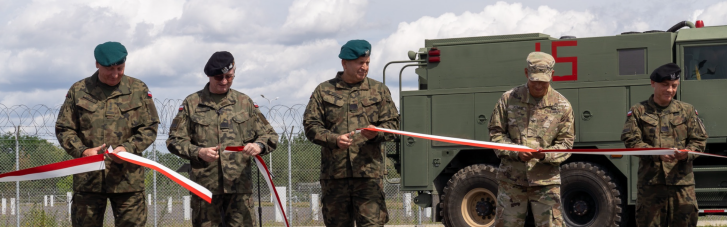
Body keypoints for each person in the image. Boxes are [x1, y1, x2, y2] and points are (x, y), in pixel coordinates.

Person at [166, 51, 278, 227]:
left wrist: (258, 145)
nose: (225, 81)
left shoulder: (244, 102)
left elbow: (270, 135)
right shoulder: (192, 103)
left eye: (229, 76)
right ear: (210, 76)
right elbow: (173, 140)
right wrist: (198, 152)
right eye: (219, 77)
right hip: (205, 189)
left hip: (239, 189)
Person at [55, 41, 160, 227]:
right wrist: (82, 152)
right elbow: (64, 128)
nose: (115, 74)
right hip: (88, 181)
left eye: (120, 68)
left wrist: (127, 149)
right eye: (109, 69)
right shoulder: (79, 91)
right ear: (97, 64)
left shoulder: (138, 89)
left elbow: (149, 127)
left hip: (128, 181)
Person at [303, 40, 399, 227]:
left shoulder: (379, 91)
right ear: (344, 63)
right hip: (335, 177)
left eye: (367, 63)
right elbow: (310, 125)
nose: (364, 67)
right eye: (360, 63)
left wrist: (377, 133)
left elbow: (393, 124)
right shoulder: (324, 91)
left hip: (368, 177)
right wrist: (334, 139)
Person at [488, 52, 574, 227]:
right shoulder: (508, 100)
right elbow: (495, 135)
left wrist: (545, 155)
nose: (539, 85)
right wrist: (516, 153)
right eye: (535, 80)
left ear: (552, 75)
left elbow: (566, 144)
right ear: (527, 73)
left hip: (546, 182)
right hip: (512, 180)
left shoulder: (563, 106)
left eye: (543, 80)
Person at [621, 63, 708, 227]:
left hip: (682, 185)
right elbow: (631, 141)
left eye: (674, 86)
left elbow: (699, 140)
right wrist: (656, 153)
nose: (669, 90)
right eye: (665, 85)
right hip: (651, 185)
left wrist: (687, 153)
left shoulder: (687, 111)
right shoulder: (639, 111)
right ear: (653, 83)